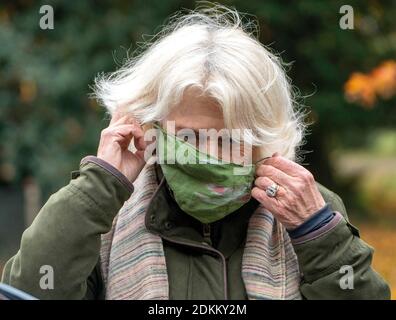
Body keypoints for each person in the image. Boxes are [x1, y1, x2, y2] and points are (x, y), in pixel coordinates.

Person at [1, 4, 390, 300]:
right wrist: (99, 183)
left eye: (231, 139)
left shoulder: (305, 210)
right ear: (148, 129)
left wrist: (318, 234)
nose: (210, 156)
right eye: (187, 137)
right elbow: (28, 293)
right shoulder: (105, 212)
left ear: (264, 140)